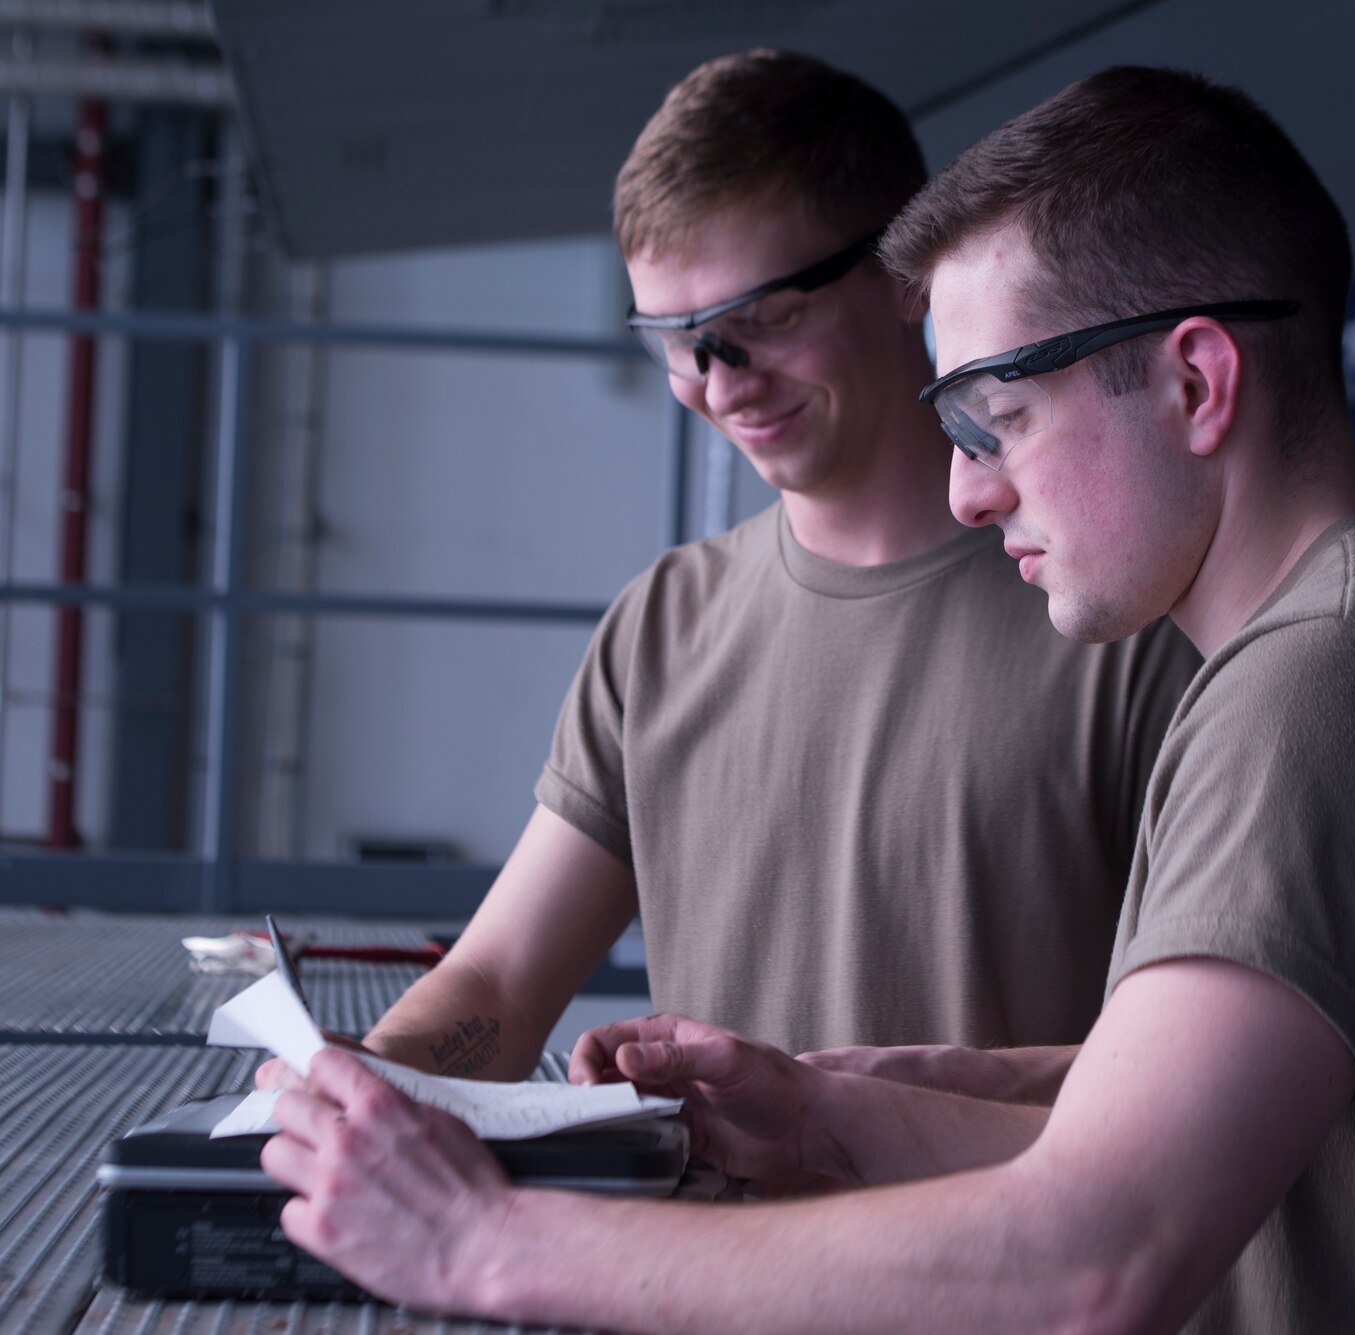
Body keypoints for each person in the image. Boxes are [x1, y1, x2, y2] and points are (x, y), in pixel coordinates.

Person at [259, 66, 1355, 1333]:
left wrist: (483, 1240)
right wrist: (827, 1111)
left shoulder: (1327, 688)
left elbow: (1091, 1251)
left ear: (1197, 381)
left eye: (999, 415)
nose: (971, 486)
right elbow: (1166, 1117)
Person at [260, 49, 1194, 1101]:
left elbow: (1193, 1079)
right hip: (692, 1267)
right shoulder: (661, 629)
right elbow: (498, 979)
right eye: (677, 339)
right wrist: (365, 1085)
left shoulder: (1115, 610)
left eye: (764, 318)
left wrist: (842, 1112)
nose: (720, 384)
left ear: (904, 275)